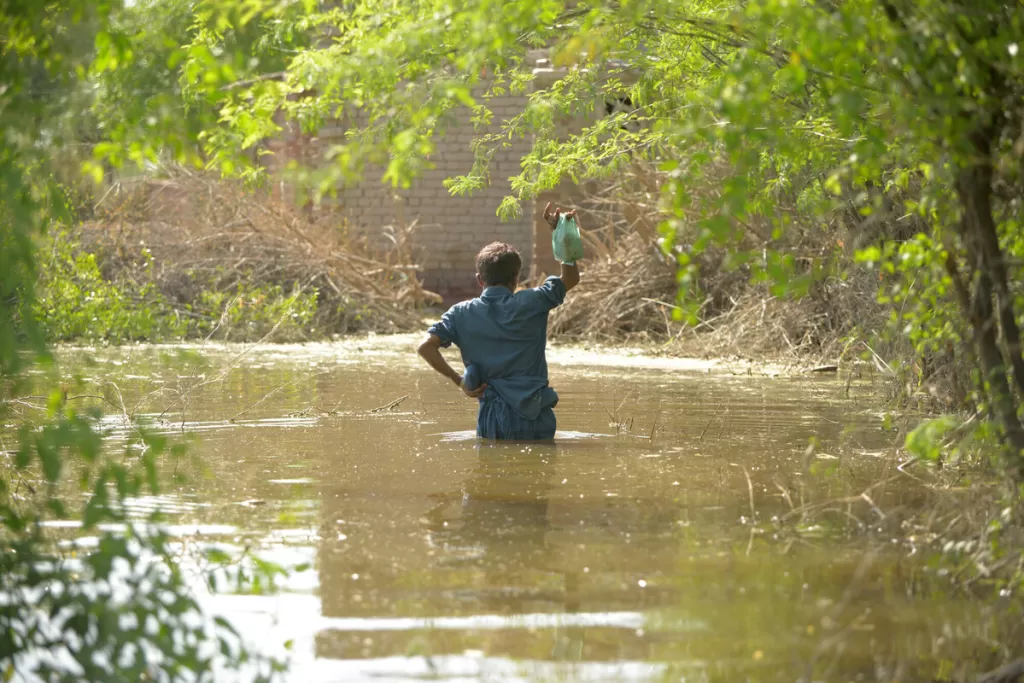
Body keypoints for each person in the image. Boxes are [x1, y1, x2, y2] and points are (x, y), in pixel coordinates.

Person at [417, 203, 582, 440]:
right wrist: (561, 233)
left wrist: (460, 383)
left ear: (479, 279)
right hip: (535, 417)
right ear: (516, 278)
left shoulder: (460, 313)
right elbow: (571, 277)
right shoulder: (533, 301)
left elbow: (425, 347)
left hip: (491, 420)